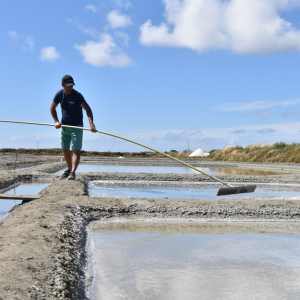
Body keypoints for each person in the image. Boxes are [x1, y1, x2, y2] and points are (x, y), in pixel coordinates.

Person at [50, 75, 97, 180]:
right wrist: (56, 121)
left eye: (72, 85)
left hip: (77, 127)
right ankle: (69, 169)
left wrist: (91, 124)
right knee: (65, 149)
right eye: (68, 86)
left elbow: (88, 109)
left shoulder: (78, 95)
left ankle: (73, 172)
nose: (70, 87)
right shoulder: (59, 95)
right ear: (63, 85)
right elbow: (52, 108)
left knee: (75, 149)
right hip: (65, 127)